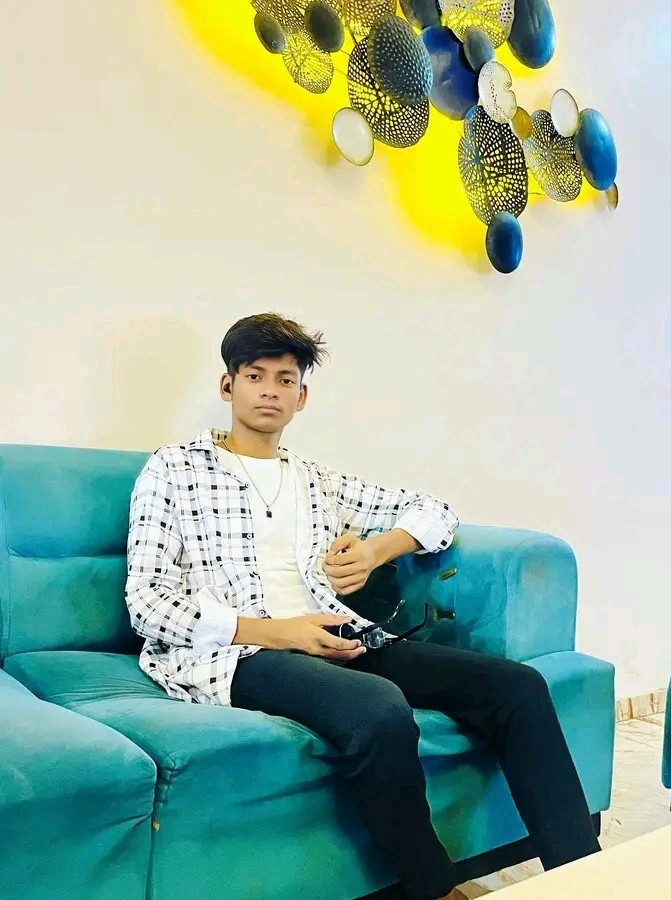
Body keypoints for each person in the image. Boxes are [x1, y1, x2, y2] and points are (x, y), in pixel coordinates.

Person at [126, 313, 601, 900]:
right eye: (255, 376)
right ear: (228, 385)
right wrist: (283, 632)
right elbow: (147, 602)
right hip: (240, 650)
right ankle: (432, 889)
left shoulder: (315, 481)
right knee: (376, 708)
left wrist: (378, 550)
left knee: (517, 687)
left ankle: (586, 881)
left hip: (339, 635)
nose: (270, 391)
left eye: (285, 379)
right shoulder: (174, 468)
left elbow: (436, 511)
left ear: (302, 397)